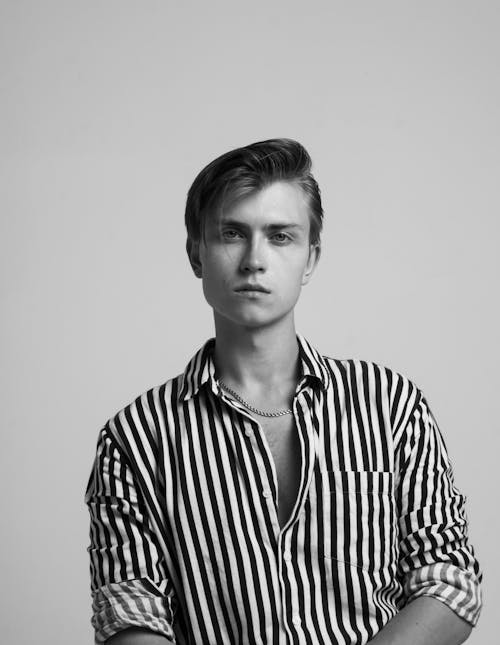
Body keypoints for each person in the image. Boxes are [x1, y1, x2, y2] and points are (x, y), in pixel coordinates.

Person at [85, 138, 482, 644]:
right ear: (196, 254)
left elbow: (448, 580)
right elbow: (130, 613)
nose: (255, 260)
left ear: (310, 258)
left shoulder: (391, 405)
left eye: (280, 236)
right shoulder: (134, 439)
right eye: (232, 234)